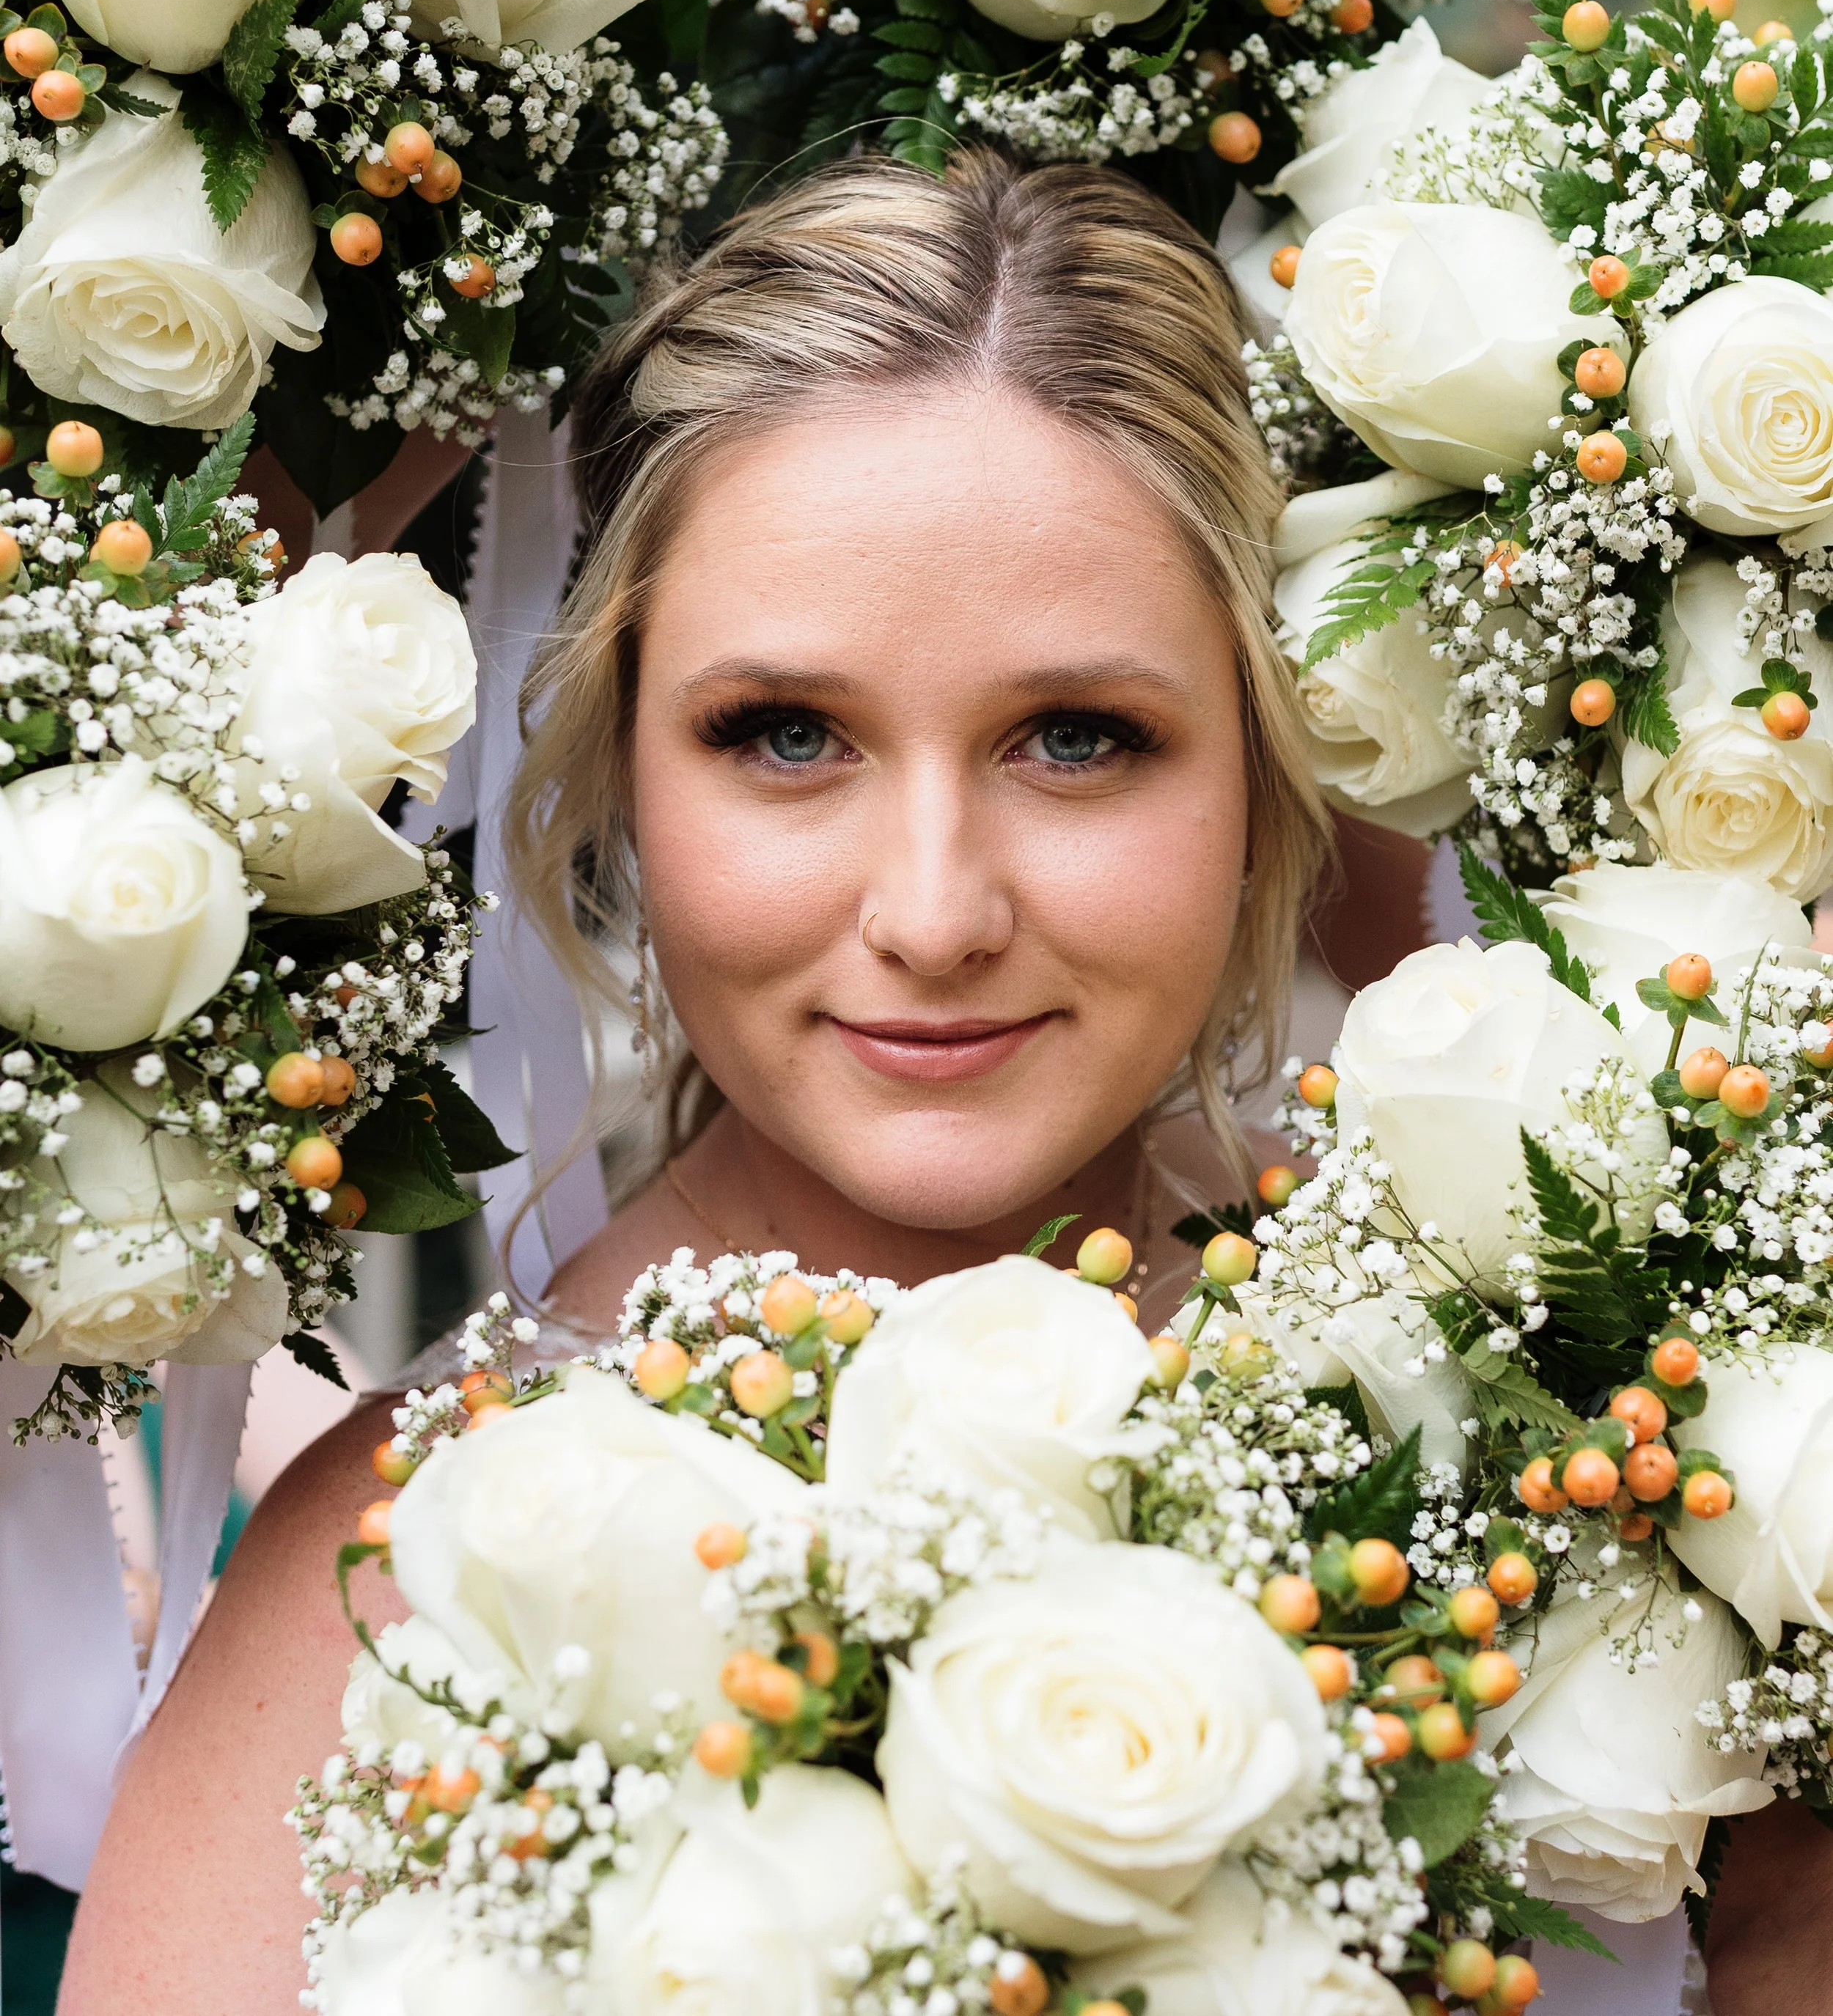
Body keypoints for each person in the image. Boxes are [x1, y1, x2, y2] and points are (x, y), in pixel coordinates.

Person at [52, 150, 1818, 2014]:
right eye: (786, 736)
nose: (933, 910)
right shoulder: (399, 1587)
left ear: (1257, 774)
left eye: (1077, 739)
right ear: (621, 773)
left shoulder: (1627, 1441)